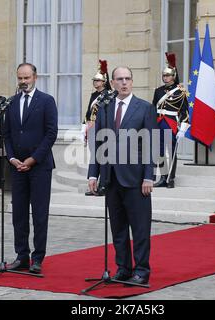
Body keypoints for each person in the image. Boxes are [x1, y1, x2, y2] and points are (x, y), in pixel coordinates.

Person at [87, 66, 157, 285]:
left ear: (132, 81)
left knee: (140, 227)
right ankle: (123, 268)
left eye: (127, 79)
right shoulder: (105, 108)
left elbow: (151, 144)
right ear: (113, 83)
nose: (124, 82)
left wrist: (149, 176)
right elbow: (98, 143)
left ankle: (142, 270)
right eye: (120, 79)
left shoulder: (144, 108)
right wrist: (93, 174)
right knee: (117, 228)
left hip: (136, 178)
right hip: (110, 178)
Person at [3, 63, 58, 274]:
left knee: (39, 214)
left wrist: (33, 159)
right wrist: (12, 157)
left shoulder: (46, 101)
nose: (23, 82)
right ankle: (21, 255)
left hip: (39, 167)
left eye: (27, 78)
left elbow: (51, 133)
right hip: (17, 167)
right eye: (20, 78)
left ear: (35, 77)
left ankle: (37, 258)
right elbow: (6, 134)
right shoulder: (12, 102)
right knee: (19, 213)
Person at [152, 52, 189, 188]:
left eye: (167, 75)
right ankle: (162, 177)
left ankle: (171, 178)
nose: (165, 77)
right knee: (160, 151)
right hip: (158, 122)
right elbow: (153, 107)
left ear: (173, 76)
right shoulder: (158, 91)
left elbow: (185, 111)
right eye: (164, 75)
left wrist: (183, 129)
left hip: (171, 123)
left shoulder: (180, 92)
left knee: (171, 151)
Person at [82, 60, 112, 197]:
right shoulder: (94, 95)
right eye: (94, 80)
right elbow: (89, 112)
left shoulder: (108, 95)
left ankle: (103, 184)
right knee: (94, 156)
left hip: (102, 128)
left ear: (104, 81)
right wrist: (84, 125)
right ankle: (95, 183)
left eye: (98, 80)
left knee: (102, 155)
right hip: (92, 126)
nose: (95, 82)